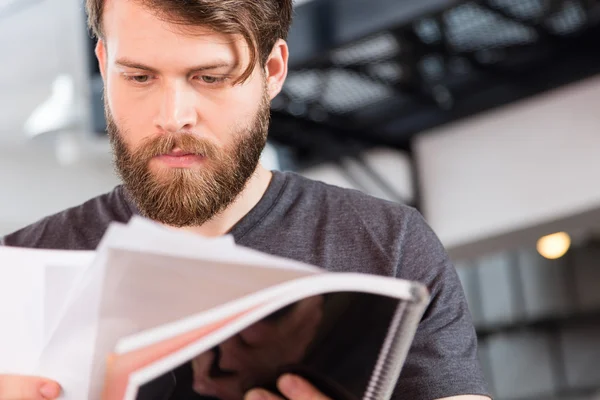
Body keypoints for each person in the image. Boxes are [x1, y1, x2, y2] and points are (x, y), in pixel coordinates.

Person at [0, 0, 492, 399]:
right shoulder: (17, 267)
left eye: (209, 77)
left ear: (273, 69)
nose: (173, 117)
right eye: (139, 77)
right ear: (105, 66)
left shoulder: (388, 246)